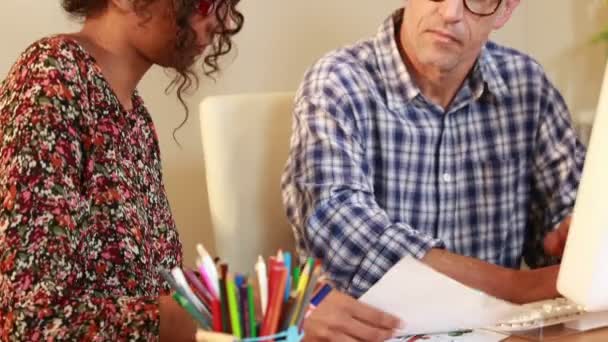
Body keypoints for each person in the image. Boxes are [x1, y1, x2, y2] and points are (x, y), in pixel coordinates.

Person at [0, 0, 401, 341]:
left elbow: (145, 288)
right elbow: (32, 321)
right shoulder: (50, 81)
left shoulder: (133, 115)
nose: (224, 22)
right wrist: (252, 313)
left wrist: (282, 297)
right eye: (210, 3)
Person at [282, 0, 586, 309]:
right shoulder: (338, 82)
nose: (451, 13)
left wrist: (573, 237)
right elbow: (343, 233)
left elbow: (568, 214)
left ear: (505, 9)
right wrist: (514, 286)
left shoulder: (527, 86)